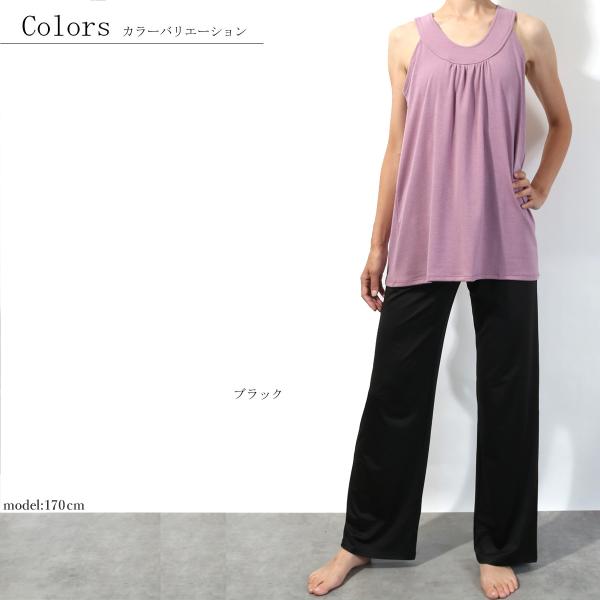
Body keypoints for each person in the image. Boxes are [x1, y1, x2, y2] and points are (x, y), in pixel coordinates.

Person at [306, 1, 572, 599]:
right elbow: (397, 148)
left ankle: (499, 547)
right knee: (394, 392)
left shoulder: (527, 32)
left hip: (503, 235)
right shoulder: (406, 39)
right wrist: (378, 245)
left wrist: (541, 186)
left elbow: (561, 123)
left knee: (508, 397)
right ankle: (363, 539)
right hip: (423, 235)